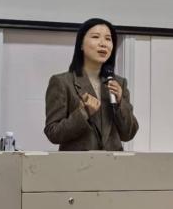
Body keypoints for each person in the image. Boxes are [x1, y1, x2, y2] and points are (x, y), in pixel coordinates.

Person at [44, 17, 139, 151]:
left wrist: (120, 103)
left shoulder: (119, 83)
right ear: (81, 45)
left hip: (113, 163)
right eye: (95, 37)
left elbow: (128, 134)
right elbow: (53, 133)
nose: (103, 44)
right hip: (77, 163)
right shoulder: (62, 82)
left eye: (108, 39)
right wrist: (83, 113)